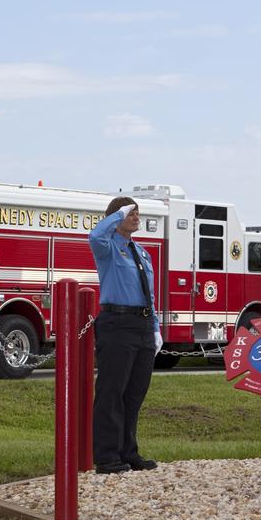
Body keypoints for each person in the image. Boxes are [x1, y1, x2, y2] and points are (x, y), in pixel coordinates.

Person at [89, 197, 160, 474]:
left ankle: (129, 452)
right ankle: (107, 456)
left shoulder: (142, 253)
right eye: (130, 213)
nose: (136, 217)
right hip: (116, 323)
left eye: (137, 212)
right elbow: (95, 234)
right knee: (111, 392)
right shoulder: (106, 247)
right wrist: (117, 214)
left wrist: (155, 328)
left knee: (135, 393)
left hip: (141, 324)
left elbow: (149, 294)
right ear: (116, 217)